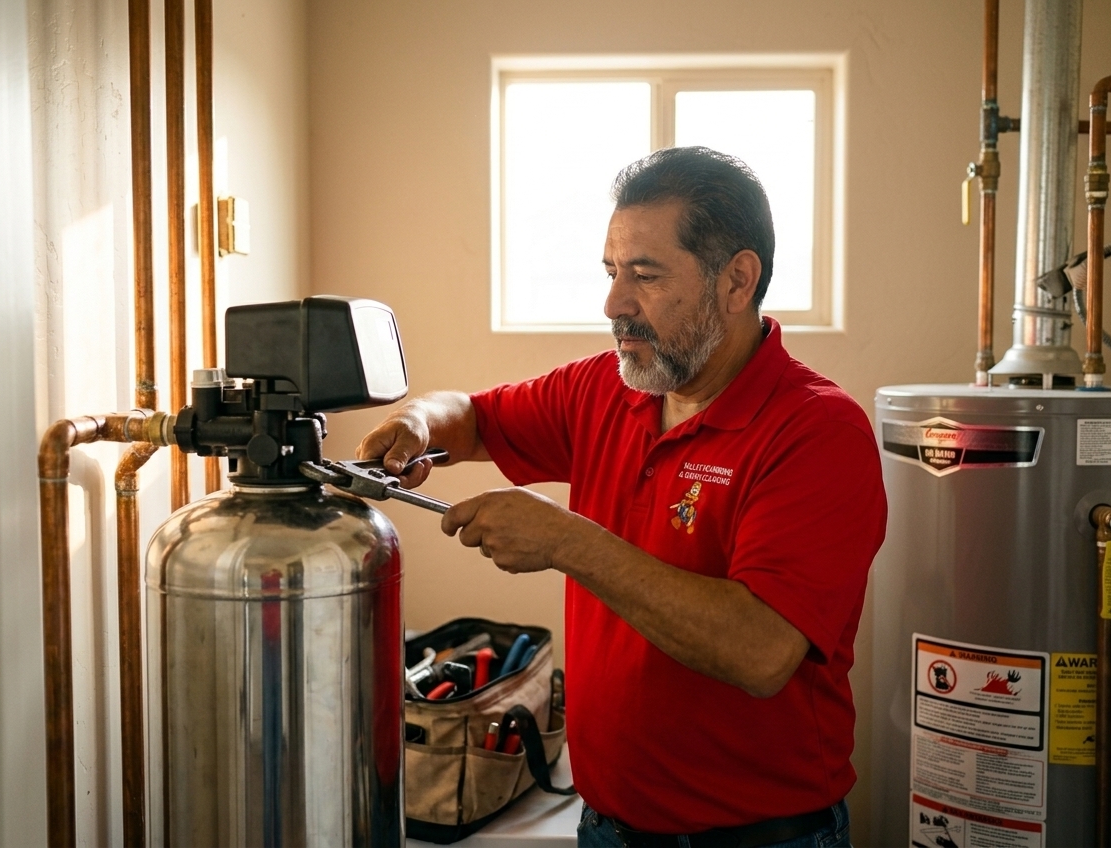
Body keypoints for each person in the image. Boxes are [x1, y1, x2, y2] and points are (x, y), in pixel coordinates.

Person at [360, 146, 886, 848]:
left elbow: (761, 652)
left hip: (757, 838)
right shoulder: (609, 387)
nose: (614, 305)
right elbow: (476, 418)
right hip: (606, 826)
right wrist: (419, 422)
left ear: (737, 280)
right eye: (612, 272)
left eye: (645, 275)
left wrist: (568, 541)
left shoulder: (818, 431)